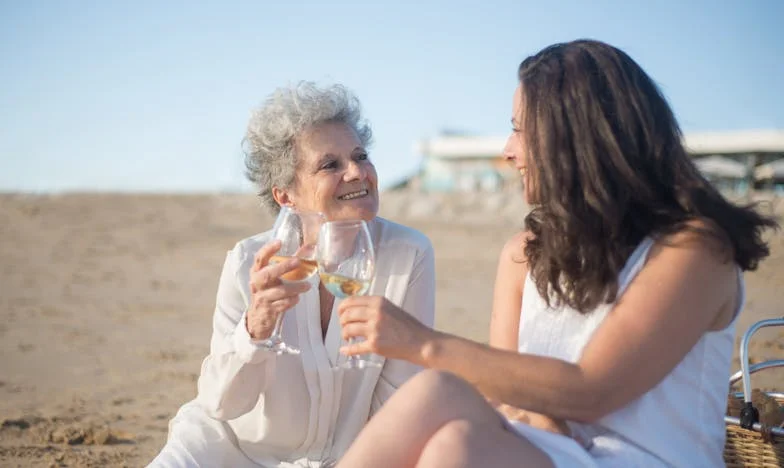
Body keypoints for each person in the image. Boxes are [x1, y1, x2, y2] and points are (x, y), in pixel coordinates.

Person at [331, 39, 778, 467]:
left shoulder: (694, 251)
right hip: (552, 452)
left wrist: (422, 343)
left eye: (519, 130)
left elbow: (592, 393)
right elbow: (506, 393)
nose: (508, 151)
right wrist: (540, 423)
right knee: (445, 420)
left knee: (451, 426)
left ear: (579, 136)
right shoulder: (524, 255)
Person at [149, 82, 435, 467]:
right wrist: (256, 330)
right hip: (231, 453)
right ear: (285, 196)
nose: (357, 172)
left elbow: (399, 398)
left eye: (360, 156)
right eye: (330, 164)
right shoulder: (247, 261)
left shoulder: (408, 254)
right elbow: (220, 403)